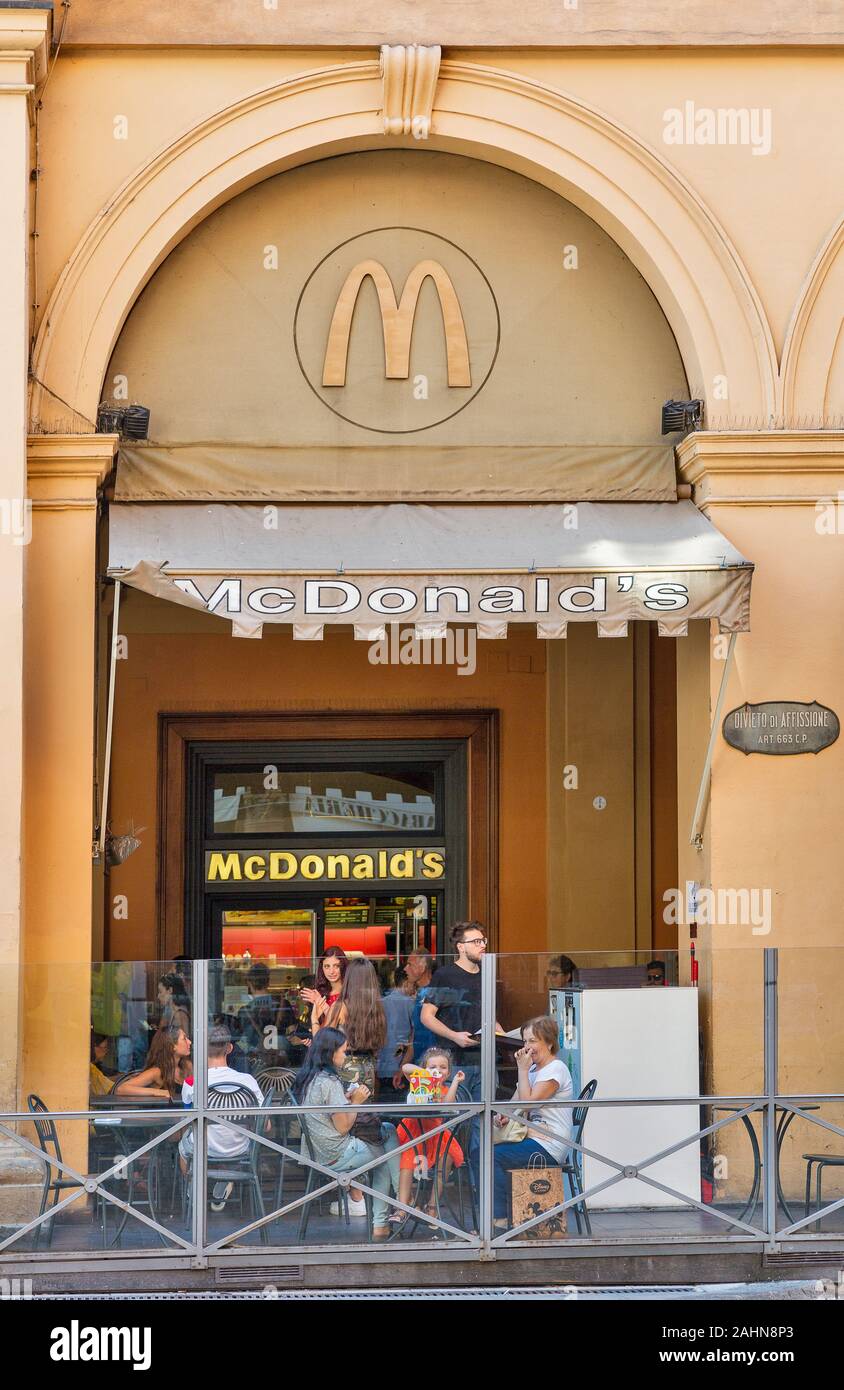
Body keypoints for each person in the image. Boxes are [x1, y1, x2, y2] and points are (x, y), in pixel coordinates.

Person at [292, 1026, 392, 1240]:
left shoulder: (311, 1078)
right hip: (335, 1154)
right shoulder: (329, 1082)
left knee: (387, 1142)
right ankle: (392, 1213)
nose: (346, 1056)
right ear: (331, 1052)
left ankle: (395, 1208)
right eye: (344, 1051)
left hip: (315, 1152)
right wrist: (355, 1101)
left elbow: (327, 1110)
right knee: (387, 1149)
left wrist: (345, 1099)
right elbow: (343, 1127)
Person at [492, 1015, 574, 1229]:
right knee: (479, 1151)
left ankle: (500, 1220)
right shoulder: (534, 1069)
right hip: (534, 1137)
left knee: (493, 1157)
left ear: (548, 1042)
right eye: (525, 1041)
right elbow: (515, 1104)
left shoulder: (555, 1070)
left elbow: (528, 1104)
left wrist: (521, 1069)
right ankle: (501, 1215)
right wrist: (503, 1116)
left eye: (532, 1041)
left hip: (550, 1144)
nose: (527, 1047)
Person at [178, 1024, 264, 1210]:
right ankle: (226, 1176)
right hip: (239, 1148)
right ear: (230, 1048)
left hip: (203, 1148)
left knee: (182, 1146)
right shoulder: (248, 1081)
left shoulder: (192, 1082)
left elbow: (186, 1122)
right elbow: (265, 1126)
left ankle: (193, 1183)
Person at [393, 1047, 465, 1229]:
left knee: (447, 1157)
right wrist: (426, 1074)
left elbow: (448, 1106)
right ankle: (401, 1209)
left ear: (448, 1072)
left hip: (436, 1133)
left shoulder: (446, 1089)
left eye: (443, 1068)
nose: (438, 1070)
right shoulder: (418, 1080)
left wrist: (456, 1082)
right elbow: (406, 1068)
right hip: (413, 1132)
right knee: (408, 1159)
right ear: (424, 1067)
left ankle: (432, 1208)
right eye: (433, 1066)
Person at [322, 958, 387, 1109]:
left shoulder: (340, 1007)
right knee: (364, 1114)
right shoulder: (377, 1008)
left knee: (343, 1114)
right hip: (369, 1067)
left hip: (345, 1066)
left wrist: (315, 1019)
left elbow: (326, 1041)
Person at [112, 1023, 192, 1100]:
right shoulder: (156, 1072)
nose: (189, 1042)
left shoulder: (187, 1066)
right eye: (184, 1038)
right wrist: (157, 1092)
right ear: (172, 1046)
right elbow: (121, 1089)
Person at [376, 968, 416, 1096]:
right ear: (405, 983)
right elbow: (414, 1037)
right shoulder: (410, 1003)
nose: (414, 990)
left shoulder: (381, 1002)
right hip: (401, 1064)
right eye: (413, 985)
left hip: (381, 1065)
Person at [300, 946, 347, 1035]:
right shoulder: (320, 993)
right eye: (327, 966)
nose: (331, 971)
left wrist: (322, 1004)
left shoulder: (349, 992)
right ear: (322, 968)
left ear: (343, 967)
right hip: (322, 1044)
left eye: (336, 966)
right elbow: (316, 1026)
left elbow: (342, 1028)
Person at [405, 949, 438, 1062]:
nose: (405, 969)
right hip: (421, 1061)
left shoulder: (433, 993)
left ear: (422, 968)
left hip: (433, 1063)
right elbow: (416, 1034)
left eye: (410, 964)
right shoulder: (421, 994)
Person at [157, 971, 191, 1035]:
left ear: (170, 990)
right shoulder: (169, 1010)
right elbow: (160, 1032)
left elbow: (184, 1041)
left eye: (160, 991)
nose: (158, 996)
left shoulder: (180, 1013)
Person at [90, 1032, 116, 1096]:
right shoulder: (91, 1069)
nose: (106, 1051)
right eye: (104, 1047)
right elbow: (112, 1089)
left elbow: (103, 1080)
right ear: (94, 1048)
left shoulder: (92, 1067)